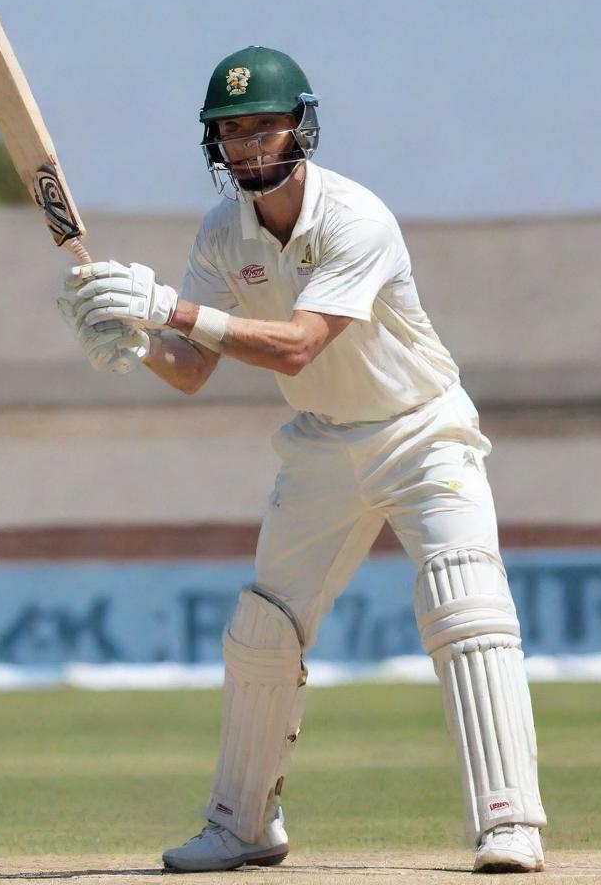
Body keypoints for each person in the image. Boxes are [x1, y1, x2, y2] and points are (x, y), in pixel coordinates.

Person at [57, 47, 547, 873]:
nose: (248, 146)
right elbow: (192, 369)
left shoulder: (357, 219)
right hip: (322, 443)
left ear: (301, 127)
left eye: (262, 126)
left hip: (422, 432)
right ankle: (243, 823)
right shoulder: (222, 233)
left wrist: (167, 307)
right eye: (231, 131)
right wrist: (131, 343)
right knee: (262, 630)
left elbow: (296, 347)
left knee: (466, 605)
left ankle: (509, 822)